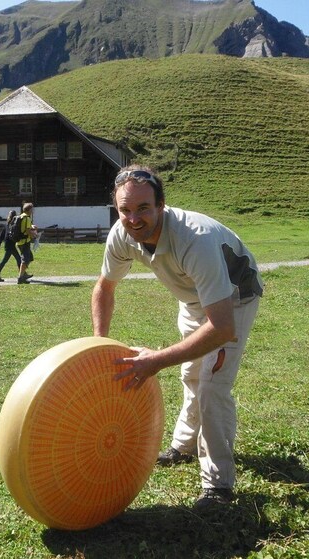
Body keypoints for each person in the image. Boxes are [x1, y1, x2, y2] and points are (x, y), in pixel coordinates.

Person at [91, 165, 263, 509]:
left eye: (143, 208)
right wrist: (98, 345)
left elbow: (223, 327)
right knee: (191, 374)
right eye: (125, 210)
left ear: (161, 205)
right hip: (194, 298)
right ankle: (183, 447)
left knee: (212, 385)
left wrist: (156, 360)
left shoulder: (193, 239)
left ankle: (218, 486)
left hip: (234, 298)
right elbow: (105, 287)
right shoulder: (121, 234)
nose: (134, 219)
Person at [0, 210, 21, 282]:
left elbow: (2, 234)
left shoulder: (7, 224)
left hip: (9, 244)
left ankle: (22, 274)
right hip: (10, 245)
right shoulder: (13, 224)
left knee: (18, 259)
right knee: (5, 260)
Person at [15, 203, 38, 285]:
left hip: (19, 241)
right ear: (29, 210)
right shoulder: (27, 218)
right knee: (25, 260)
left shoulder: (21, 216)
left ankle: (23, 274)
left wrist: (31, 226)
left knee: (29, 258)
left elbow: (24, 227)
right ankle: (21, 277)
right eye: (32, 209)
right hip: (24, 242)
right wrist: (35, 236)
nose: (33, 211)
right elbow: (27, 231)